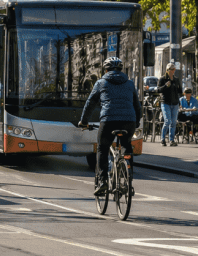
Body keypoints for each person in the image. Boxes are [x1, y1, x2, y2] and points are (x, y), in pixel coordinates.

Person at [76, 57, 142, 196]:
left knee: (102, 148)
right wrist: (136, 122)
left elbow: (90, 103)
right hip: (128, 121)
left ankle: (102, 182)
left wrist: (84, 121)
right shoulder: (130, 83)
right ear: (121, 70)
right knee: (126, 147)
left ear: (105, 70)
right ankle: (128, 181)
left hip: (109, 120)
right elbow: (137, 105)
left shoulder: (101, 82)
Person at [157, 62, 183, 146]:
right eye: (172, 69)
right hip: (165, 102)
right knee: (167, 121)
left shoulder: (176, 79)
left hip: (175, 103)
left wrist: (179, 102)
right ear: (168, 70)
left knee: (173, 122)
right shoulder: (162, 79)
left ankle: (171, 140)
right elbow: (158, 90)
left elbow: (179, 92)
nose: (174, 71)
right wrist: (165, 86)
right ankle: (163, 138)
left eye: (174, 69)